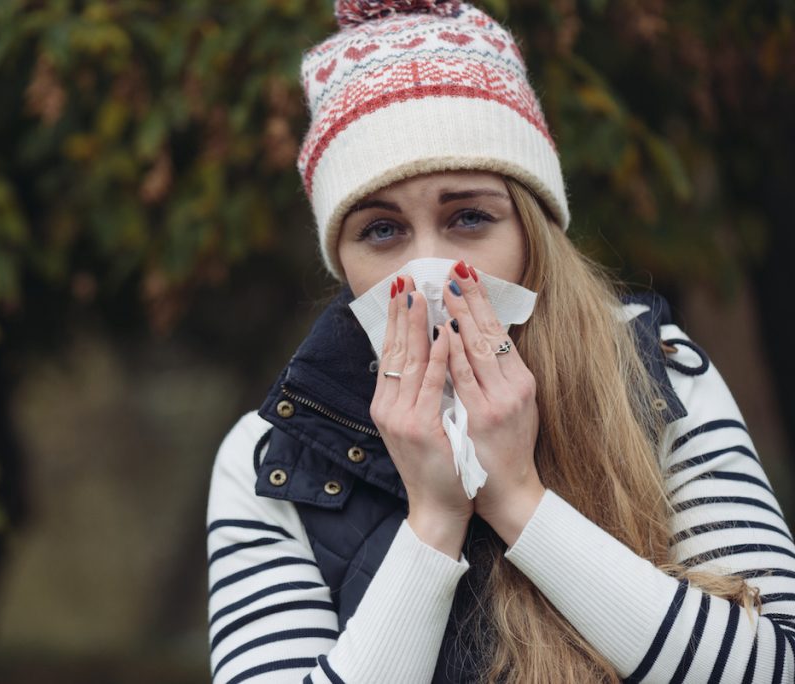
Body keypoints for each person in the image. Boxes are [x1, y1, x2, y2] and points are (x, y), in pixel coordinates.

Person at [205, 2, 795, 682]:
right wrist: (432, 522)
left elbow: (769, 667)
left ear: (531, 230)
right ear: (341, 260)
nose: (426, 269)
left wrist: (517, 499)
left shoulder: (659, 374)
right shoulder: (272, 456)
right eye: (381, 231)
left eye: (469, 217)